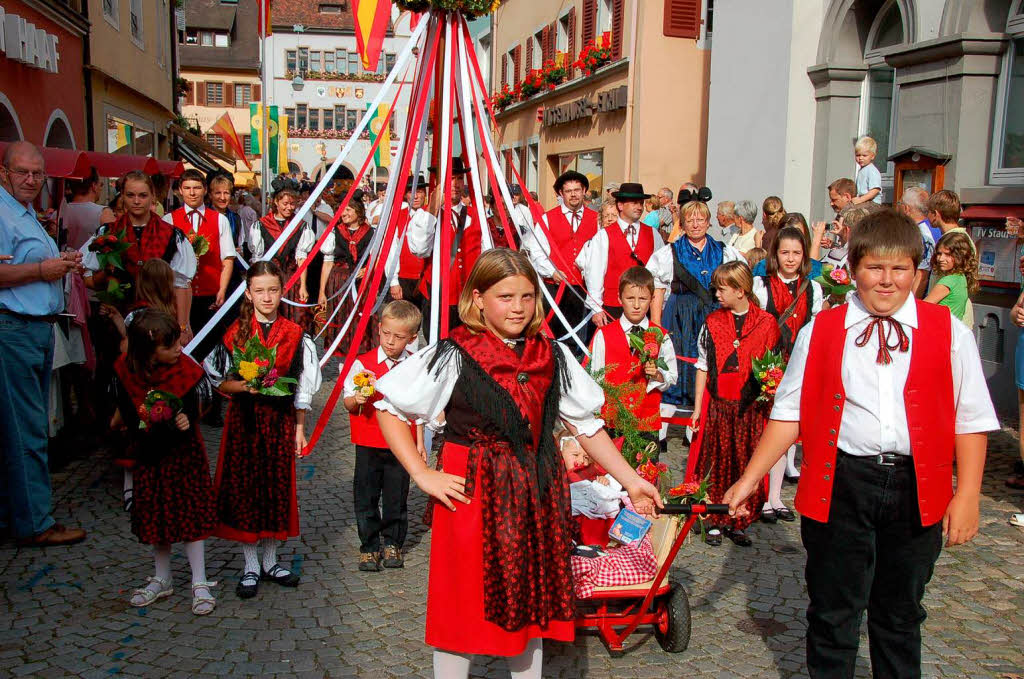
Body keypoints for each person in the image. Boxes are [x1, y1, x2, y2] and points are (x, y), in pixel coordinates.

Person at [723, 209, 998, 679]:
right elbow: (789, 412)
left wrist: (968, 494)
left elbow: (969, 420)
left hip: (917, 486)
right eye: (875, 267)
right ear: (853, 268)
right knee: (833, 613)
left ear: (917, 271)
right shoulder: (821, 331)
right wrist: (749, 479)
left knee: (900, 613)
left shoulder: (949, 333)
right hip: (842, 482)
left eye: (900, 270)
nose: (887, 281)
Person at [373, 248, 662, 678]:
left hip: (532, 496)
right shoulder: (455, 352)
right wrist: (421, 472)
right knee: (462, 612)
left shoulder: (551, 354)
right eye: (505, 296)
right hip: (472, 496)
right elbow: (389, 407)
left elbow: (586, 425)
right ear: (477, 298)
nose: (518, 308)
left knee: (530, 612)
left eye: (527, 297)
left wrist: (632, 480)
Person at [205, 260, 322, 599]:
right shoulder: (235, 332)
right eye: (260, 291)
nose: (267, 297)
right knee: (245, 489)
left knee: (274, 488)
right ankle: (251, 564)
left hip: (279, 422)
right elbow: (220, 382)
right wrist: (246, 388)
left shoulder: (295, 334)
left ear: (281, 290)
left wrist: (300, 429)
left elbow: (301, 387)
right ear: (248, 293)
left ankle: (271, 561)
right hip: (245, 422)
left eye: (273, 290)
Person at [0, 141, 86, 547]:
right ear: (5, 173)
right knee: (26, 429)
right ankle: (35, 522)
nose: (32, 180)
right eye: (23, 172)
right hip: (14, 328)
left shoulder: (26, 213)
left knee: (25, 426)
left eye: (37, 173)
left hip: (34, 328)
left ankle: (20, 514)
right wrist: (42, 269)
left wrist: (61, 259)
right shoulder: (3, 212)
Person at [111, 309, 217, 615]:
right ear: (148, 351)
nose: (178, 350)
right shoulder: (126, 370)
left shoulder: (184, 369)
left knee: (190, 512)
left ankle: (199, 579)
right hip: (150, 454)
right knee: (157, 513)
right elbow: (124, 408)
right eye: (169, 347)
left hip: (184, 454)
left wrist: (187, 415)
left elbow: (201, 400)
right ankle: (162, 576)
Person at [689, 261, 779, 547]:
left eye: (722, 289)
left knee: (744, 461)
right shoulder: (713, 322)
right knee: (715, 461)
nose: (716, 294)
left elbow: (774, 367)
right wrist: (696, 408)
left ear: (741, 291)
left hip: (749, 407)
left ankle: (738, 519)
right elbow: (703, 366)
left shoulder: (766, 323)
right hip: (719, 404)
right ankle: (713, 518)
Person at [343, 300, 425, 572]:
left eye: (399, 337)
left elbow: (419, 408)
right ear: (379, 329)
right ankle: (369, 546)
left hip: (401, 444)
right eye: (386, 334)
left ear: (412, 338)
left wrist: (420, 442)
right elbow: (348, 403)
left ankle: (393, 543)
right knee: (365, 495)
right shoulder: (362, 364)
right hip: (368, 441)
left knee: (396, 495)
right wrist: (357, 397)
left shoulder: (414, 366)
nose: (391, 341)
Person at [753, 226, 826, 513]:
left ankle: (775, 496)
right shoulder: (762, 285)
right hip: (767, 365)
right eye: (785, 252)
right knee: (764, 430)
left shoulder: (813, 288)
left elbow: (817, 329)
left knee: (788, 431)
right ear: (776, 254)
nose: (791, 259)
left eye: (797, 253)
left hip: (797, 364)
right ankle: (758, 493)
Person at [648, 199, 744, 409]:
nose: (695, 224)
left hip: (716, 314)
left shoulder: (723, 251)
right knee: (680, 363)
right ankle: (673, 421)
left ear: (709, 222)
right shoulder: (669, 253)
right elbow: (658, 291)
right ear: (682, 223)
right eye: (690, 220)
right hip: (679, 316)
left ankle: (705, 412)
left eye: (700, 219)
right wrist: (656, 328)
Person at [82, 171, 196, 343]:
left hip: (160, 324)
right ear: (122, 197)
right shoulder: (106, 233)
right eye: (130, 195)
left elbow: (182, 285)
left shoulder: (172, 235)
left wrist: (182, 326)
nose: (136, 201)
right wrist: (107, 273)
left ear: (152, 197)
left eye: (143, 195)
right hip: (116, 322)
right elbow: (89, 280)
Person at [587, 266, 677, 456]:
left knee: (646, 475)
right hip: (612, 420)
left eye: (643, 299)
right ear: (620, 299)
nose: (636, 305)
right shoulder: (604, 335)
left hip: (646, 422)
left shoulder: (661, 336)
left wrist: (658, 375)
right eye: (630, 298)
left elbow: (672, 376)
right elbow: (595, 377)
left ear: (652, 300)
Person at [526, 170, 600, 350]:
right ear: (561, 193)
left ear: (584, 191)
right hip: (556, 288)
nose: (573, 194)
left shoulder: (596, 218)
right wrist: (552, 271)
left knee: (583, 337)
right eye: (568, 191)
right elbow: (536, 252)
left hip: (585, 289)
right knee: (556, 335)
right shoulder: (548, 218)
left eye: (577, 190)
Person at [167, 169, 237, 359]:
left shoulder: (220, 220)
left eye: (197, 188)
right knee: (180, 347)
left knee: (211, 347)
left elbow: (228, 259)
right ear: (180, 190)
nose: (192, 193)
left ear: (205, 190)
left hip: (210, 295)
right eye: (187, 188)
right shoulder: (169, 220)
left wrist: (222, 290)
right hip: (178, 298)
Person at [408, 158, 482, 336]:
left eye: (458, 179)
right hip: (438, 296)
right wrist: (433, 208)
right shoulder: (424, 216)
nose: (455, 184)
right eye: (450, 178)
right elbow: (419, 249)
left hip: (468, 297)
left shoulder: (476, 215)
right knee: (437, 347)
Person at [577, 183, 664, 327]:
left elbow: (661, 274)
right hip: (613, 306)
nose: (639, 207)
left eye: (641, 203)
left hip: (644, 307)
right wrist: (596, 307)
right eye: (634, 203)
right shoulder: (604, 235)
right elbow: (595, 273)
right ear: (621, 205)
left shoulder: (653, 234)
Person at [249, 187, 317, 334]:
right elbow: (257, 259)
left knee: (296, 317)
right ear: (276, 202)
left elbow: (301, 258)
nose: (289, 207)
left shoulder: (301, 226)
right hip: (268, 278)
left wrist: (303, 286)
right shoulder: (261, 225)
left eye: (292, 204)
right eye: (285, 203)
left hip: (291, 278)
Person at [318, 199, 376, 355]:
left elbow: (378, 259)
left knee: (360, 323)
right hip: (339, 284)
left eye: (348, 210)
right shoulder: (334, 232)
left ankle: (360, 363)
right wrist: (322, 292)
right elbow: (328, 263)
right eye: (342, 210)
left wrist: (368, 270)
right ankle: (342, 366)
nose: (344, 213)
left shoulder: (372, 233)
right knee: (341, 322)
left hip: (361, 285)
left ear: (358, 212)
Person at [385, 178, 433, 325]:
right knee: (404, 323)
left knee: (428, 323)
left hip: (426, 279)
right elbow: (391, 249)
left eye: (419, 192)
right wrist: (393, 281)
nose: (416, 196)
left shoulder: (432, 215)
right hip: (404, 279)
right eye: (412, 192)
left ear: (425, 194)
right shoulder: (397, 216)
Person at [926, 189, 975, 327]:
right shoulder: (957, 237)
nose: (941, 258)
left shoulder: (957, 241)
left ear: (935, 214)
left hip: (953, 317)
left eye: (928, 211)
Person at [924, 231, 978, 324]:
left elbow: (922, 308)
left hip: (941, 331)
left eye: (947, 254)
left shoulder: (948, 281)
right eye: (939, 254)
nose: (941, 259)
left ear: (960, 256)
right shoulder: (961, 278)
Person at [62, 169, 116, 251]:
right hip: (91, 262)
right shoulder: (104, 213)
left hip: (64, 261)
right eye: (101, 185)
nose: (101, 189)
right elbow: (115, 245)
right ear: (94, 186)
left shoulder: (58, 213)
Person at [898, 186, 936, 299]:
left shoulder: (922, 233)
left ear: (906, 208)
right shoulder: (934, 227)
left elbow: (922, 275)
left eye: (899, 203)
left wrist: (912, 306)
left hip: (924, 296)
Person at [852, 136, 883, 205]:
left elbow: (875, 190)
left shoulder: (871, 170)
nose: (860, 158)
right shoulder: (862, 170)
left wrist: (860, 199)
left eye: (864, 155)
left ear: (872, 156)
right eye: (858, 155)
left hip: (873, 203)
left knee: (852, 213)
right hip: (864, 201)